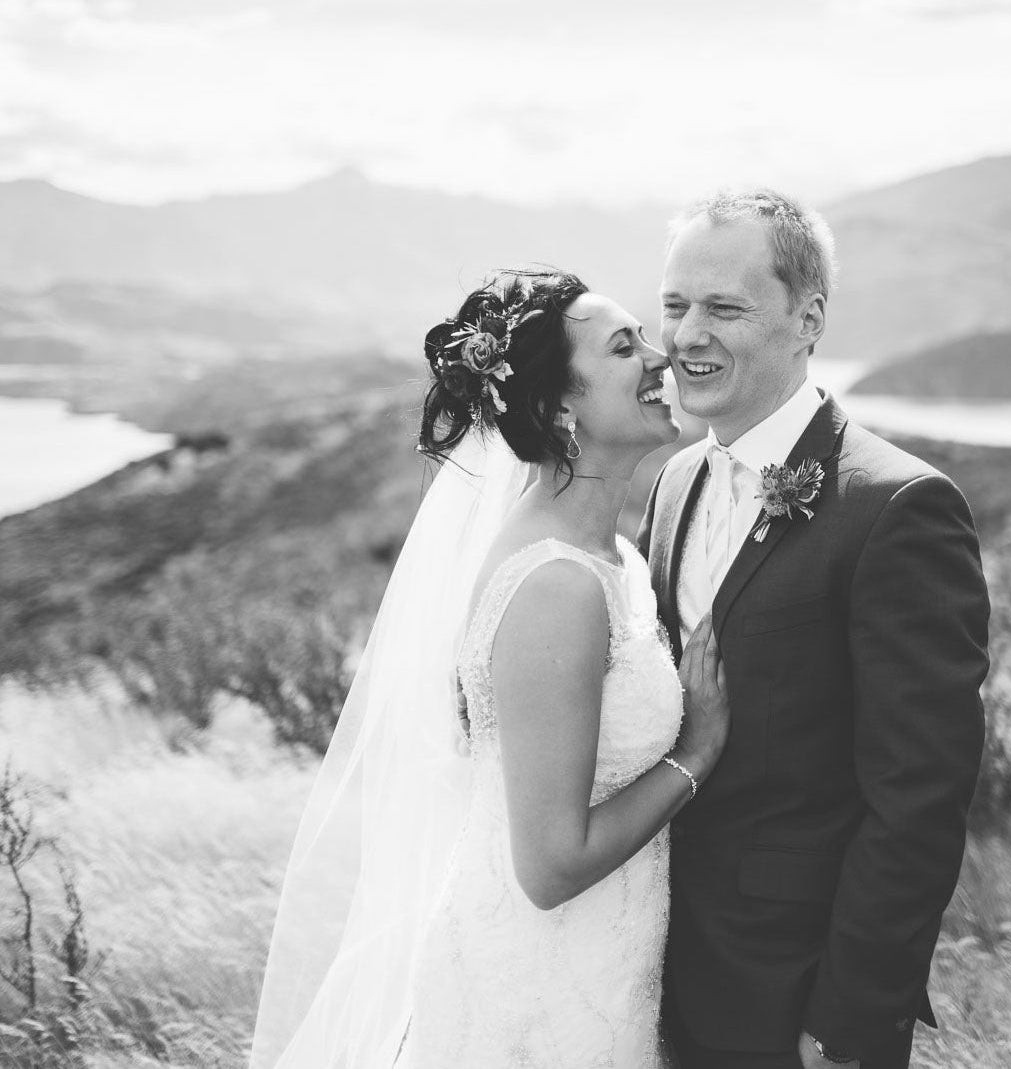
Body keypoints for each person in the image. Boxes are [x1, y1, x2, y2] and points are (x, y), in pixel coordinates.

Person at [250, 269, 731, 1069]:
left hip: (599, 963)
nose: (661, 356)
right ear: (559, 410)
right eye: (624, 346)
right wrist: (697, 752)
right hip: (541, 988)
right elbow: (549, 865)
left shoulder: (606, 556)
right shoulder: (556, 586)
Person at [637, 190, 991, 1069]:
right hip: (648, 966)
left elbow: (919, 797)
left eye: (723, 307)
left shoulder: (898, 508)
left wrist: (848, 1022)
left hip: (792, 997)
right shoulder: (674, 480)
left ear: (808, 319)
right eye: (675, 306)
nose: (686, 335)